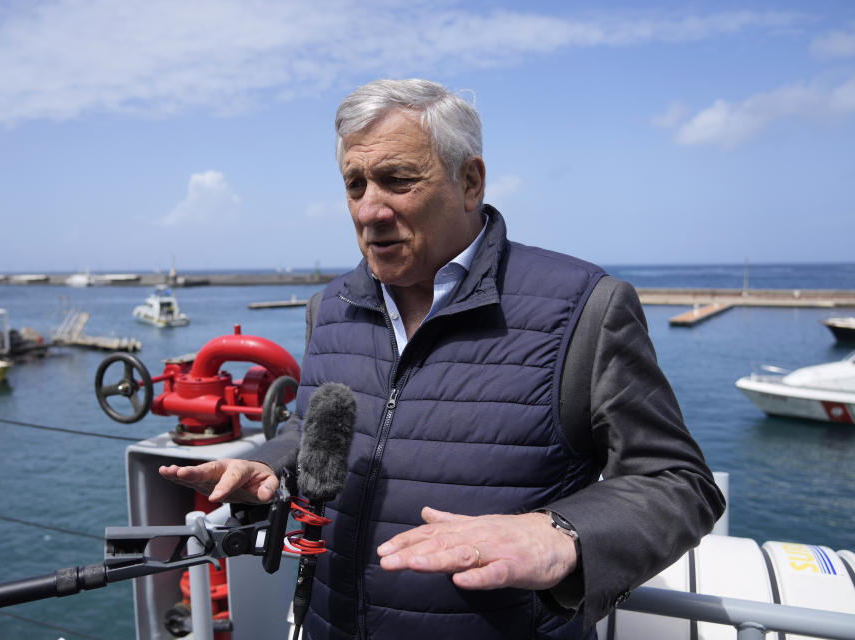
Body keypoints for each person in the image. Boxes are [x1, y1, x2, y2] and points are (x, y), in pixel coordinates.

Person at [160, 78, 725, 639]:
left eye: (397, 180)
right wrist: (272, 460)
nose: (369, 210)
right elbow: (314, 426)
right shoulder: (328, 308)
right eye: (354, 185)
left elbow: (678, 482)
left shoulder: (585, 307)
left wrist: (561, 533)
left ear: (470, 181)